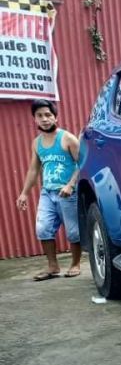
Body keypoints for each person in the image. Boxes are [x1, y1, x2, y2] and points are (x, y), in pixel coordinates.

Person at [15, 99, 82, 280]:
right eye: (40, 116)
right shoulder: (36, 143)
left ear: (55, 117)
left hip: (67, 193)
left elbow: (82, 164)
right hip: (47, 192)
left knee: (74, 231)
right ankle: (52, 267)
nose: (44, 119)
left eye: (48, 115)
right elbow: (34, 169)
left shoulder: (67, 138)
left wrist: (70, 185)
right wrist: (24, 193)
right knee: (43, 228)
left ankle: (75, 264)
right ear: (34, 119)